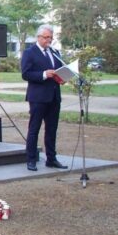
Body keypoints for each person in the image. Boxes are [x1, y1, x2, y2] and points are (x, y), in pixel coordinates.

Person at [21, 24, 67, 172]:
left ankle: (51, 159)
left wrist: (64, 76)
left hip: (54, 96)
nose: (49, 40)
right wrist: (43, 74)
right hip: (38, 96)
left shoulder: (54, 52)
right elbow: (26, 74)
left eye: (51, 38)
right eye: (46, 37)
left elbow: (59, 70)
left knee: (52, 129)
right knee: (34, 128)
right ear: (39, 37)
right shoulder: (30, 52)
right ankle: (31, 159)